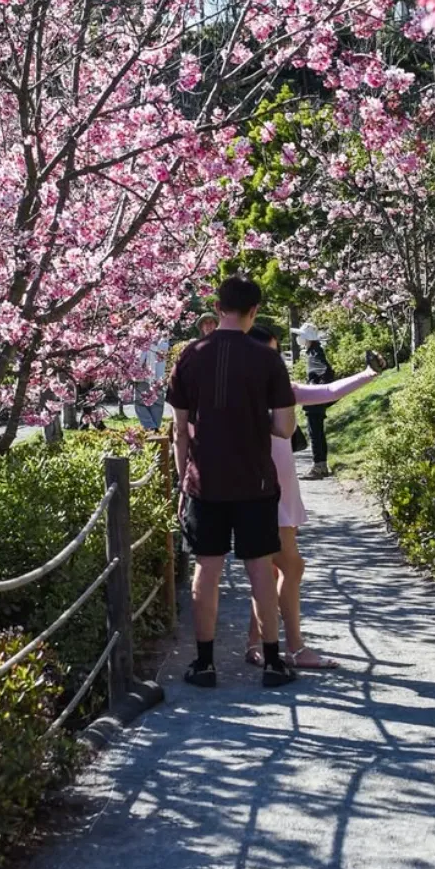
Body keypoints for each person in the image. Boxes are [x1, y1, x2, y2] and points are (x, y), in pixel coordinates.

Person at [167, 275, 298, 689]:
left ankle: (204, 663)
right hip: (255, 481)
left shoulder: (190, 355)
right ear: (254, 311)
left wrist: (182, 480)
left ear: (218, 307)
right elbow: (285, 428)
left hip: (204, 481)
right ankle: (274, 663)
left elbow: (178, 428)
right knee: (260, 568)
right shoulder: (267, 359)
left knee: (207, 568)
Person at [245, 325, 381, 670]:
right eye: (268, 353)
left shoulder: (281, 391)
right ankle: (291, 647)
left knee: (274, 570)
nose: (275, 360)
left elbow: (328, 390)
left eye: (276, 353)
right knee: (287, 566)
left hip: (283, 492)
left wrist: (368, 373)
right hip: (262, 491)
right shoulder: (244, 395)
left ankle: (259, 643)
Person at [293, 321, 334, 478]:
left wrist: (315, 387)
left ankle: (319, 467)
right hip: (316, 399)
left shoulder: (315, 353)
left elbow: (325, 371)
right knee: (317, 432)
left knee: (315, 433)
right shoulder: (314, 351)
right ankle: (321, 465)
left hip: (315, 400)